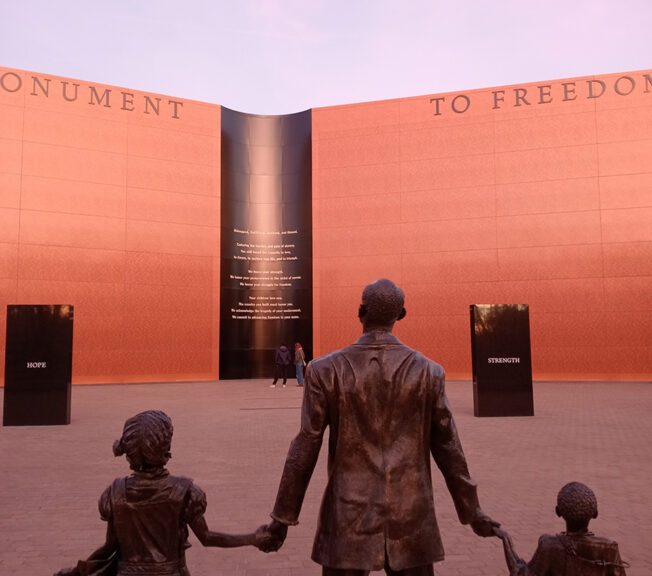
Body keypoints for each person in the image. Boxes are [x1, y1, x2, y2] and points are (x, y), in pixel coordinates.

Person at [260, 278, 499, 575]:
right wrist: (471, 510)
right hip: (411, 513)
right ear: (401, 315)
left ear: (361, 311)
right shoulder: (429, 371)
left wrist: (282, 517)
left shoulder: (324, 370)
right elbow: (449, 447)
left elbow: (306, 444)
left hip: (348, 512)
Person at [54, 410, 269, 576]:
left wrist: (78, 571)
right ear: (165, 447)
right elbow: (208, 537)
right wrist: (253, 539)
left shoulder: (115, 494)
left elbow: (110, 547)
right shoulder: (184, 492)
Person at [495, 482, 628, 576]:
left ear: (558, 512)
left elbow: (520, 573)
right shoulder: (610, 548)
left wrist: (505, 538)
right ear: (595, 513)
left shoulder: (549, 546)